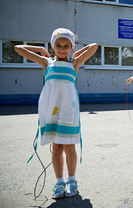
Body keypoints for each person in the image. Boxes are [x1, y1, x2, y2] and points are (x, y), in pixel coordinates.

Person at [14, 28, 98, 199]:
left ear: (71, 47)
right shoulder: (46, 63)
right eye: (58, 45)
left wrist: (75, 50)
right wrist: (40, 50)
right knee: (57, 148)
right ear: (52, 46)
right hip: (50, 110)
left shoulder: (74, 63)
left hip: (68, 111)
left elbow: (94, 46)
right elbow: (18, 48)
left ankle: (72, 180)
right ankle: (59, 182)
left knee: (69, 146)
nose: (61, 49)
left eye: (66, 46)